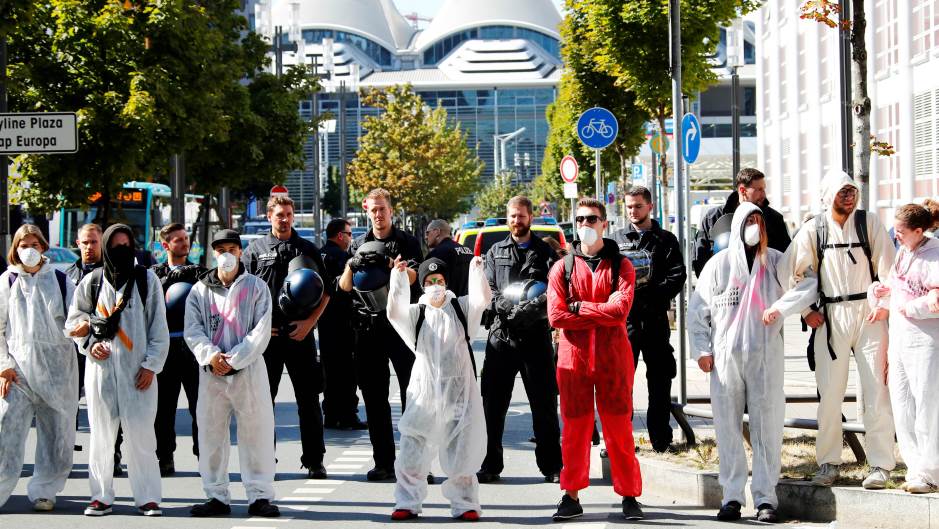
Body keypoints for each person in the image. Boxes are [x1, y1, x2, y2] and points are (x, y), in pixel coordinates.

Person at [689, 203, 817, 523]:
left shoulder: (775, 261)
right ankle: (731, 497)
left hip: (765, 357)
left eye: (759, 222)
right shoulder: (719, 266)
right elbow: (697, 312)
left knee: (767, 428)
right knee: (728, 429)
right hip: (725, 359)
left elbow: (807, 285)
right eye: (749, 221)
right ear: (737, 227)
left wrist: (782, 308)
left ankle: (765, 499)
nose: (754, 228)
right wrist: (702, 351)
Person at [782, 171, 896, 488]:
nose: (848, 196)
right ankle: (829, 463)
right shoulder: (813, 230)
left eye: (851, 191)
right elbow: (787, 272)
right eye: (841, 192)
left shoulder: (869, 223)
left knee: (877, 391)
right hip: (830, 317)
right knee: (830, 395)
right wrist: (806, 311)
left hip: (870, 315)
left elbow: (889, 270)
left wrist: (884, 304)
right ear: (828, 195)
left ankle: (881, 465)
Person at [547, 198, 643, 521]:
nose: (586, 225)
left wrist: (580, 308)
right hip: (573, 360)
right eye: (581, 219)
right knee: (574, 430)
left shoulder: (621, 266)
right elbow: (557, 315)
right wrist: (599, 310)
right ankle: (571, 495)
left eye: (592, 219)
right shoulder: (562, 268)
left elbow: (621, 312)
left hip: (614, 358)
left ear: (605, 223)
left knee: (619, 428)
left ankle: (629, 495)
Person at [66, 224, 169, 516]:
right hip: (101, 373)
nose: (121, 251)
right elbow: (73, 321)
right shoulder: (93, 282)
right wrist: (88, 344)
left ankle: (148, 498)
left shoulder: (146, 280)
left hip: (139, 374)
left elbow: (158, 329)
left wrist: (151, 366)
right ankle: (101, 497)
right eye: (115, 247)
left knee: (141, 437)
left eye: (126, 246)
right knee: (101, 438)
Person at [385, 256, 491, 521]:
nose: (435, 285)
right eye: (430, 281)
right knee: (413, 449)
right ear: (422, 286)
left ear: (446, 283)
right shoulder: (416, 313)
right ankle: (407, 502)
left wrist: (476, 272)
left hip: (459, 393)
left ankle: (465, 504)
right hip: (424, 395)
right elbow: (393, 312)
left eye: (439, 281)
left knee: (462, 451)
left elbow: (482, 300)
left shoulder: (460, 307)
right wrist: (398, 279)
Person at [185, 229, 280, 518]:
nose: (226, 254)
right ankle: (216, 495)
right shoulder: (200, 290)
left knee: (257, 433)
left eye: (231, 248)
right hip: (212, 374)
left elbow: (260, 331)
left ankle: (260, 496)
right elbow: (193, 329)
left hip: (248, 373)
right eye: (220, 249)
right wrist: (212, 356)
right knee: (211, 434)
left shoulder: (256, 287)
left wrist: (235, 359)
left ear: (240, 251)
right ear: (213, 253)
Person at [242, 196, 332, 479]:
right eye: (279, 214)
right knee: (262, 403)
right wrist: (256, 328)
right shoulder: (255, 251)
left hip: (299, 336)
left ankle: (315, 460)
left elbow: (327, 292)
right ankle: (266, 462)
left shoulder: (306, 249)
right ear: (270, 216)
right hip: (266, 340)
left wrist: (309, 323)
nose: (284, 219)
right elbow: (241, 295)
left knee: (308, 400)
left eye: (289, 214)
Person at [339, 188, 423, 481]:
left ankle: (416, 464)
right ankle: (383, 462)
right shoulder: (358, 243)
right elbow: (344, 287)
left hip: (401, 327)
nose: (378, 214)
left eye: (382, 209)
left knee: (413, 397)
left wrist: (394, 267)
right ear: (367, 211)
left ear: (391, 210)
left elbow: (417, 278)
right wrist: (352, 264)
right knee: (374, 397)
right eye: (373, 210)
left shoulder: (406, 241)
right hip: (367, 328)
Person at [477, 195, 562, 484]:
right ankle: (490, 464)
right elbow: (488, 288)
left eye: (522, 216)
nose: (517, 221)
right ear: (508, 217)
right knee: (492, 405)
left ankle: (552, 465)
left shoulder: (545, 252)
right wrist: (507, 310)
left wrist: (529, 311)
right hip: (501, 337)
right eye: (512, 216)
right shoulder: (495, 251)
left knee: (544, 405)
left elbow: (555, 289)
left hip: (535, 337)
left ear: (531, 218)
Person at [0, 225, 77, 512]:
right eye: (23, 244)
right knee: (6, 429)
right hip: (17, 373)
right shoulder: (7, 281)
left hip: (57, 372)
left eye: (34, 243)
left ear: (43, 246)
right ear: (15, 248)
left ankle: (46, 490)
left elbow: (75, 317)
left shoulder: (60, 280)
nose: (29, 249)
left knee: (57, 435)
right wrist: (3, 365)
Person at [868, 204, 939, 494]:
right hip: (899, 338)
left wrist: (911, 306)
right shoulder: (903, 252)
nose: (895, 236)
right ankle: (914, 467)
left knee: (926, 405)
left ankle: (931, 470)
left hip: (925, 340)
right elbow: (899, 286)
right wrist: (883, 293)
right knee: (902, 404)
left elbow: (934, 300)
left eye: (901, 231)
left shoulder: (935, 255)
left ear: (919, 231)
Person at [613, 186, 686, 452]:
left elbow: (677, 275)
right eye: (629, 207)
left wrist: (652, 296)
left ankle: (661, 439)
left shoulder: (665, 239)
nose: (633, 211)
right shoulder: (615, 240)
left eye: (638, 206)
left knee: (660, 379)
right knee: (622, 381)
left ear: (650, 207)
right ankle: (621, 439)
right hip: (626, 321)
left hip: (655, 318)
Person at [150, 223, 205, 476]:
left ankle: (204, 456)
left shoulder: (200, 272)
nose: (184, 243)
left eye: (186, 239)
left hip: (194, 349)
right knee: (164, 407)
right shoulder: (153, 275)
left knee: (200, 407)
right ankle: (164, 457)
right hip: (165, 348)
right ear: (165, 245)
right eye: (178, 240)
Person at [693, 168, 791, 277]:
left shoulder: (774, 219)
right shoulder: (713, 217)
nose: (764, 194)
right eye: (759, 189)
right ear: (743, 191)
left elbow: (786, 258)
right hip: (722, 290)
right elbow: (700, 257)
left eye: (764, 189)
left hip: (762, 290)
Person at [319, 218, 367, 430]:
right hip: (343, 318)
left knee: (330, 369)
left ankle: (330, 414)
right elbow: (348, 287)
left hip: (323, 319)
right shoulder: (342, 257)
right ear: (340, 235)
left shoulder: (318, 254)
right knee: (347, 370)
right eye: (348, 234)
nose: (350, 238)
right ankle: (348, 415)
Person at [424, 219, 474, 297]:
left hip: (447, 306)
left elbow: (430, 287)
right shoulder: (468, 251)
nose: (426, 237)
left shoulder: (436, 254)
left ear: (437, 232)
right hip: (469, 305)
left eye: (427, 233)